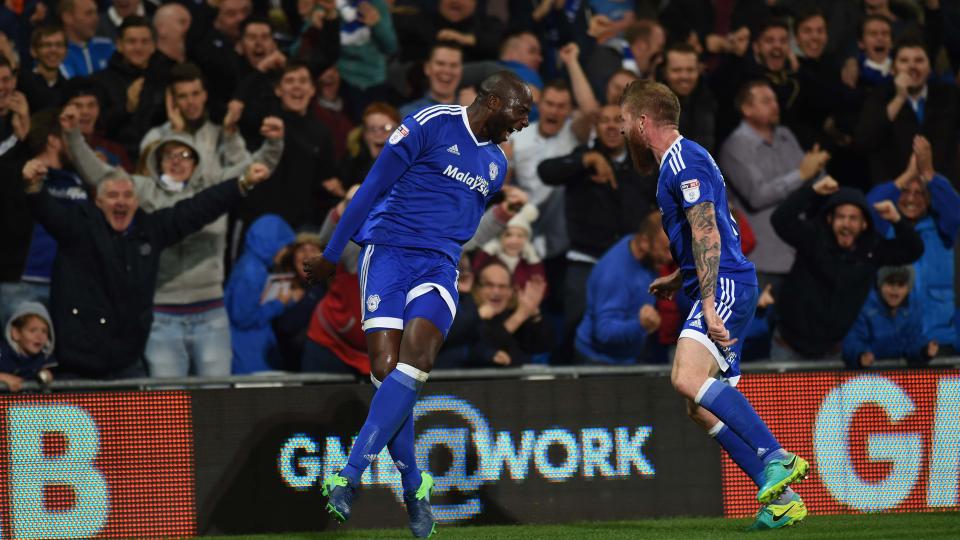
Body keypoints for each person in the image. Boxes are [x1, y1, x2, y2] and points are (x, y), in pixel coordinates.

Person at [303, 71, 532, 537]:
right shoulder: (428, 123)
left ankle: (349, 476)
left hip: (439, 267)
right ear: (491, 102)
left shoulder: (496, 165)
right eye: (518, 113)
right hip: (386, 255)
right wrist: (332, 256)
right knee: (389, 373)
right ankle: (413, 485)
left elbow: (463, 223)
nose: (522, 124)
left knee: (418, 360)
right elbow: (369, 189)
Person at [619, 79, 809, 530]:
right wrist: (679, 276)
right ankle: (782, 500)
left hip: (722, 286)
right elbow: (707, 231)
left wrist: (705, 301)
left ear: (644, 122)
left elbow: (707, 231)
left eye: (626, 121)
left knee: (686, 378)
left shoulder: (683, 160)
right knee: (699, 406)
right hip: (718, 282)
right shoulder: (681, 161)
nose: (623, 130)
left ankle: (775, 455)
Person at [20, 156, 271, 380]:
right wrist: (33, 187)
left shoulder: (149, 230)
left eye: (128, 196)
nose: (121, 202)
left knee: (136, 431)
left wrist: (241, 184)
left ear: (137, 201)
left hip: (126, 364)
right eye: (113, 196)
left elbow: (197, 208)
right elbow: (47, 211)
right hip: (76, 369)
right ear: (98, 201)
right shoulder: (77, 227)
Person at [770, 177, 924, 360]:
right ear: (829, 219)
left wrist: (897, 220)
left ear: (864, 223)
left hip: (832, 353)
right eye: (841, 217)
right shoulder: (813, 238)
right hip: (788, 347)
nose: (846, 224)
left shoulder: (872, 251)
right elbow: (780, 219)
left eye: (853, 218)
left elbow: (914, 250)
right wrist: (812, 191)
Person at [865, 135, 959, 353]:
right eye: (905, 191)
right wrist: (906, 175)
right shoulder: (884, 228)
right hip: (890, 339)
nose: (911, 198)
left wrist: (928, 174)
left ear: (929, 200)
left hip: (937, 340)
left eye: (920, 193)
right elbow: (867, 210)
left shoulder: (942, 229)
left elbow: (956, 214)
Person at [575, 211, 673, 364]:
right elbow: (604, 332)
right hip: (599, 363)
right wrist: (641, 325)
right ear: (644, 242)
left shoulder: (643, 255)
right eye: (666, 249)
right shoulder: (614, 274)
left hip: (627, 356)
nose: (671, 257)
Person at [224, 214, 296, 374]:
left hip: (251, 347)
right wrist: (278, 304)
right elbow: (242, 317)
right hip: (248, 353)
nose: (285, 252)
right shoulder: (251, 271)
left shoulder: (254, 266)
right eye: (283, 245)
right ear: (270, 242)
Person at [842, 265, 937, 368]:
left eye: (901, 285)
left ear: (908, 288)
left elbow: (913, 340)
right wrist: (860, 355)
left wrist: (924, 350)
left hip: (898, 374)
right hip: (868, 375)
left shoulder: (911, 308)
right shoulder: (864, 307)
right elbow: (853, 340)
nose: (895, 290)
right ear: (880, 285)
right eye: (890, 283)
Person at [0, 301, 56, 392]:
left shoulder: (45, 356)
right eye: (33, 330)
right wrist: (3, 378)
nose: (39, 336)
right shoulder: (2, 352)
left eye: (44, 331)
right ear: (15, 333)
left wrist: (47, 374)